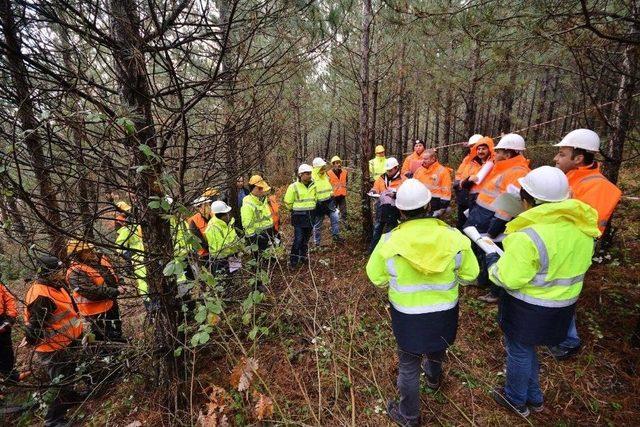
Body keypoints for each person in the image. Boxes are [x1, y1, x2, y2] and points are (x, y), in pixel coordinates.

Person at [486, 166, 599, 417]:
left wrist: (493, 263)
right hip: (563, 308)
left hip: (529, 308)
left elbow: (510, 278)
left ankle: (516, 400)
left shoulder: (528, 236)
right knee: (529, 350)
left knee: (518, 352)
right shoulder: (583, 230)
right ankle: (534, 398)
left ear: (528, 200)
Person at [366, 179, 479, 427]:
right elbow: (471, 275)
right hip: (444, 313)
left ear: (401, 210)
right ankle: (433, 380)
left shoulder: (388, 241)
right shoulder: (454, 237)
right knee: (437, 349)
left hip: (407, 317)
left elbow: (376, 278)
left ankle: (409, 416)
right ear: (429, 205)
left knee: (408, 365)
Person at [549, 128, 623, 360]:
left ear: (578, 158)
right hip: (557, 243)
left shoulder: (599, 187)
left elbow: (585, 224)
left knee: (564, 291)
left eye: (562, 154)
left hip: (573, 249)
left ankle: (568, 341)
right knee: (552, 290)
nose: (556, 159)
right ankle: (554, 334)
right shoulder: (568, 178)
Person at [465, 133, 530, 303]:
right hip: (483, 216)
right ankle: (483, 280)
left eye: (499, 151)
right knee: (482, 250)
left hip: (493, 220)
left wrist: (496, 227)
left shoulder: (518, 173)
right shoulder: (502, 167)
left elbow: (509, 204)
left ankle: (495, 292)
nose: (495, 154)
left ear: (508, 153)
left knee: (495, 253)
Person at [24, 253, 85, 427]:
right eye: (58, 270)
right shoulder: (40, 295)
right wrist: (30, 339)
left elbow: (68, 312)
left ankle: (69, 398)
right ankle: (53, 420)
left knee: (69, 374)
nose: (62, 272)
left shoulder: (56, 285)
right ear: (46, 273)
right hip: (52, 347)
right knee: (59, 381)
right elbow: (34, 327)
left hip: (68, 339)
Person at [66, 240, 125, 342]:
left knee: (115, 331)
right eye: (86, 251)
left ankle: (119, 347)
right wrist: (115, 291)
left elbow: (113, 273)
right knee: (102, 338)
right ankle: (107, 356)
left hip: (110, 303)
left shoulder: (99, 261)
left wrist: (121, 283)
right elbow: (91, 292)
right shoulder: (75, 272)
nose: (91, 252)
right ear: (77, 254)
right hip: (95, 312)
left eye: (91, 249)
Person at [242, 175, 277, 291]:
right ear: (254, 188)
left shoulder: (262, 201)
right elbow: (247, 225)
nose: (262, 191)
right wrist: (254, 237)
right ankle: (256, 284)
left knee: (263, 260)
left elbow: (267, 217)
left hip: (267, 234)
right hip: (256, 238)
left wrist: (272, 231)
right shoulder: (248, 204)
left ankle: (264, 279)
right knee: (256, 262)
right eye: (260, 189)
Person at [454, 135, 494, 229]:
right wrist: (463, 182)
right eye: (477, 148)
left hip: (485, 200)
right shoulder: (470, 161)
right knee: (464, 222)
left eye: (483, 149)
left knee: (478, 226)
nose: (479, 151)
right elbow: (461, 176)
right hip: (467, 196)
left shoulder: (493, 163)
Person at [369, 157, 404, 253]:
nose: (388, 172)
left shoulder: (403, 179)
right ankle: (372, 252)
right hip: (381, 209)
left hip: (395, 210)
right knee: (377, 231)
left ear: (396, 168)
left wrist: (396, 195)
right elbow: (376, 187)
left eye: (390, 170)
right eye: (387, 170)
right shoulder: (381, 178)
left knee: (390, 233)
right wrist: (373, 191)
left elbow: (406, 194)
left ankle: (388, 252)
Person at [284, 164, 317, 268]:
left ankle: (303, 257)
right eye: (307, 173)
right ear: (300, 175)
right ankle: (293, 261)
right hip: (298, 217)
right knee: (298, 239)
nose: (309, 175)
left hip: (310, 216)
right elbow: (288, 202)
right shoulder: (293, 187)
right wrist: (294, 211)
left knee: (306, 239)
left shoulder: (314, 185)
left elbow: (315, 198)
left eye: (310, 173)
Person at [205, 200, 243, 286]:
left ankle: (237, 289)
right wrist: (235, 246)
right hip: (221, 259)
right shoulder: (212, 227)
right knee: (223, 281)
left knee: (236, 277)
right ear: (221, 215)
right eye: (226, 213)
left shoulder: (228, 222)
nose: (228, 215)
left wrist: (240, 247)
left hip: (233, 255)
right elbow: (220, 246)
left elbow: (234, 236)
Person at [311, 157, 344, 245]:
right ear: (317, 168)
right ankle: (317, 243)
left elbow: (329, 187)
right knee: (318, 225)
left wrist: (331, 193)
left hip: (329, 202)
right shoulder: (312, 179)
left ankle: (336, 237)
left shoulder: (325, 176)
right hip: (318, 205)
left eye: (324, 167)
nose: (323, 169)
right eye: (321, 167)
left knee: (335, 218)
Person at [413, 149, 452, 218]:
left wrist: (443, 207)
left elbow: (446, 189)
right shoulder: (419, 170)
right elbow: (414, 185)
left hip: (436, 203)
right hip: (421, 202)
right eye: (423, 159)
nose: (423, 160)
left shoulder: (443, 171)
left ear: (433, 159)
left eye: (426, 159)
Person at [0, 280, 24, 383]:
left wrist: (9, 317)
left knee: (6, 351)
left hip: (2, 320)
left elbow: (8, 298)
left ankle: (11, 377)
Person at [327, 155, 348, 225]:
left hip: (342, 195)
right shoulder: (329, 173)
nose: (338, 164)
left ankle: (344, 224)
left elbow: (346, 182)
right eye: (336, 163)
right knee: (333, 212)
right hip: (333, 196)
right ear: (333, 164)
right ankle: (334, 225)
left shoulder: (345, 172)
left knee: (344, 211)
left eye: (339, 162)